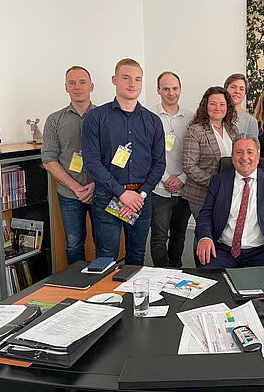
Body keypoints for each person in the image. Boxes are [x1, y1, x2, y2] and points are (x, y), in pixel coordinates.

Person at [81, 58, 165, 265]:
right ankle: (106, 298)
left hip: (140, 199)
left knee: (137, 256)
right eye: (126, 78)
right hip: (107, 196)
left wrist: (139, 195)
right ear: (114, 80)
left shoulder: (153, 121)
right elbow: (92, 162)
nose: (132, 83)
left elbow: (159, 164)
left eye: (137, 79)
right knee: (106, 257)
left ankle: (132, 298)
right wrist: (122, 193)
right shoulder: (96, 117)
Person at [196, 134, 264, 269]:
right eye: (239, 152)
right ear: (232, 156)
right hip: (224, 251)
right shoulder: (218, 181)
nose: (244, 157)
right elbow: (205, 215)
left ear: (258, 157)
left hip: (262, 251)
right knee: (208, 280)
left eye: (250, 152)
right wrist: (205, 237)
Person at [41, 66, 96, 264]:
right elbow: (48, 158)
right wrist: (76, 188)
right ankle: (77, 286)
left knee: (106, 243)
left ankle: (105, 287)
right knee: (74, 244)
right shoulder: (54, 120)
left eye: (82, 82)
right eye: (71, 83)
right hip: (69, 195)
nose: (77, 87)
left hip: (100, 192)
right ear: (65, 87)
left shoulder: (104, 117)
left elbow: (112, 158)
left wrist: (95, 186)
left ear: (91, 86)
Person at [150, 71, 193, 267]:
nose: (170, 92)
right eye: (166, 88)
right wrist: (165, 178)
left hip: (184, 188)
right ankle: (160, 273)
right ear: (158, 90)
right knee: (158, 236)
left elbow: (195, 154)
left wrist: (182, 178)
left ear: (180, 89)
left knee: (179, 235)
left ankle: (175, 271)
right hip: (159, 188)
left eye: (174, 88)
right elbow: (146, 155)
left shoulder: (192, 119)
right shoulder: (149, 117)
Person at [182, 86, 238, 218]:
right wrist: (215, 182)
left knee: (221, 233)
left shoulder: (232, 129)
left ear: (228, 107)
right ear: (205, 106)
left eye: (222, 104)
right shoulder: (196, 130)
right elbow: (188, 165)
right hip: (202, 194)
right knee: (204, 233)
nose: (217, 108)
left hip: (228, 192)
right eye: (213, 103)